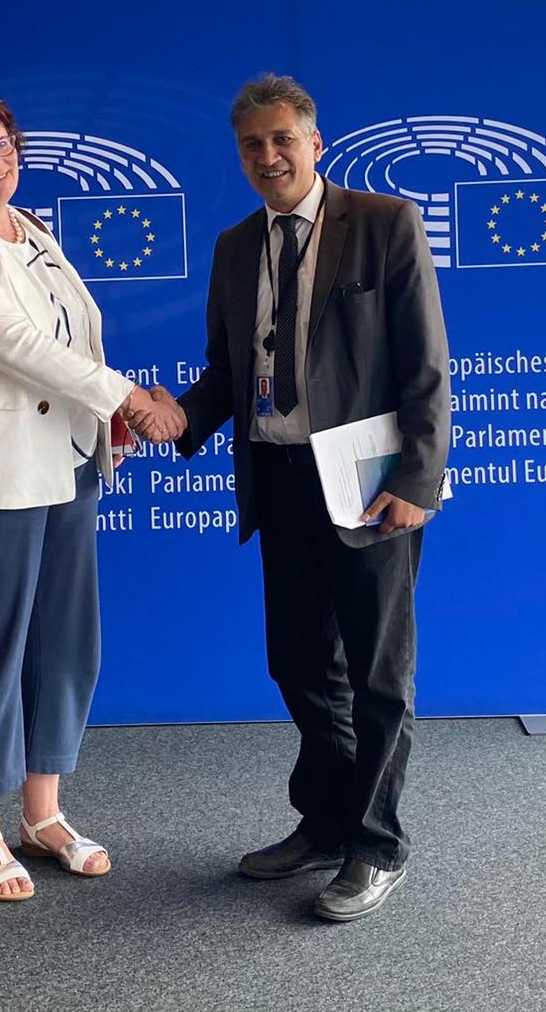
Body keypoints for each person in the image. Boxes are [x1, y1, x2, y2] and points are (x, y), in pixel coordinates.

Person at [131, 73, 451, 922]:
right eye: (252, 145)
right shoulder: (236, 246)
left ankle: (376, 845)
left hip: (370, 482)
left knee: (378, 675)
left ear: (315, 142)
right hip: (279, 478)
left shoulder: (384, 223)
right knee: (301, 666)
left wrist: (416, 481)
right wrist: (179, 416)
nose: (268, 156)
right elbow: (228, 372)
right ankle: (328, 821)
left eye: (282, 139)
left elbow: (425, 363)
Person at [0, 86, 164, 902]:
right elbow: (16, 346)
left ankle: (44, 815)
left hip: (65, 465)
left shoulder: (34, 231)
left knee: (64, 643)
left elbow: (72, 338)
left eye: (4, 144)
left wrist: (102, 413)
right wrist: (125, 397)